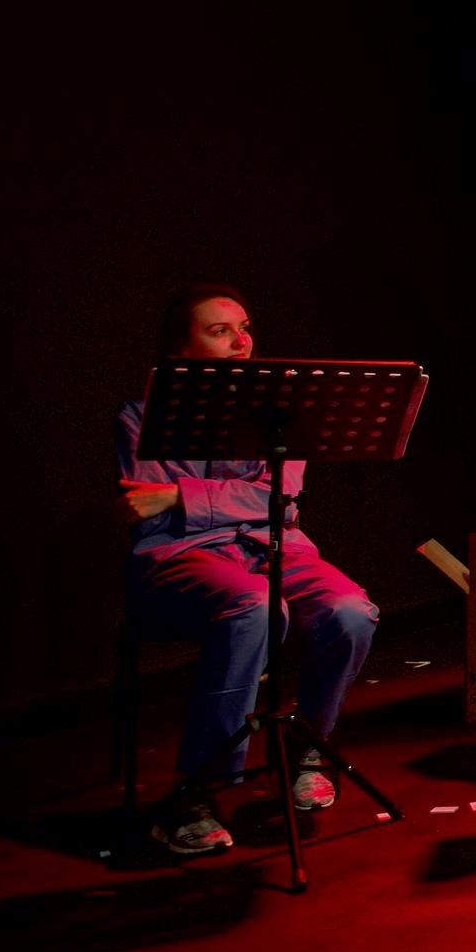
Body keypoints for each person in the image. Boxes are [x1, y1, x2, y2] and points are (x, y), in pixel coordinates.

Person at [116, 285, 380, 855]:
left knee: (352, 611)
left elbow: (281, 497)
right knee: (255, 605)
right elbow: (144, 506)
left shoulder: (279, 410)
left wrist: (179, 495)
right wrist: (218, 499)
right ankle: (195, 794)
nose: (242, 342)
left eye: (245, 327)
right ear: (183, 351)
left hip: (273, 546)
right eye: (219, 332)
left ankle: (307, 747)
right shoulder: (141, 416)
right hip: (181, 557)